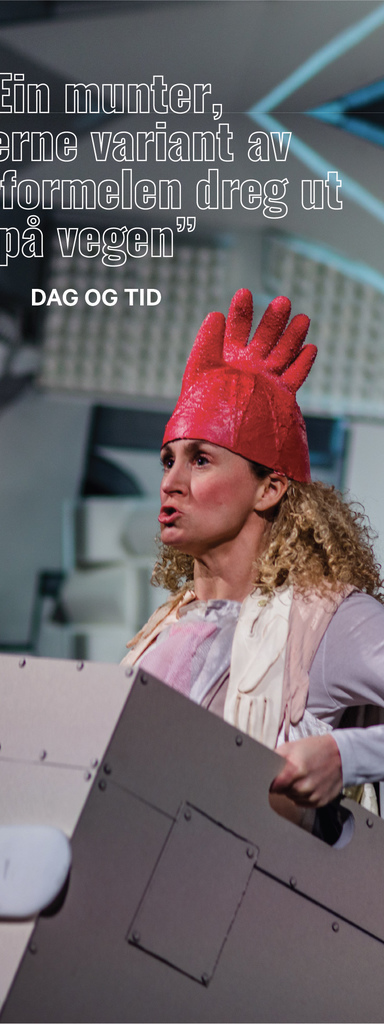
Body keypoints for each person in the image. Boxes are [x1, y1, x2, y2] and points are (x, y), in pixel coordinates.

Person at [122, 288, 383, 829]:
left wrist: (345, 756)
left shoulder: (326, 620)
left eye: (201, 459)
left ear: (270, 488)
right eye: (168, 460)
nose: (170, 482)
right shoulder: (166, 627)